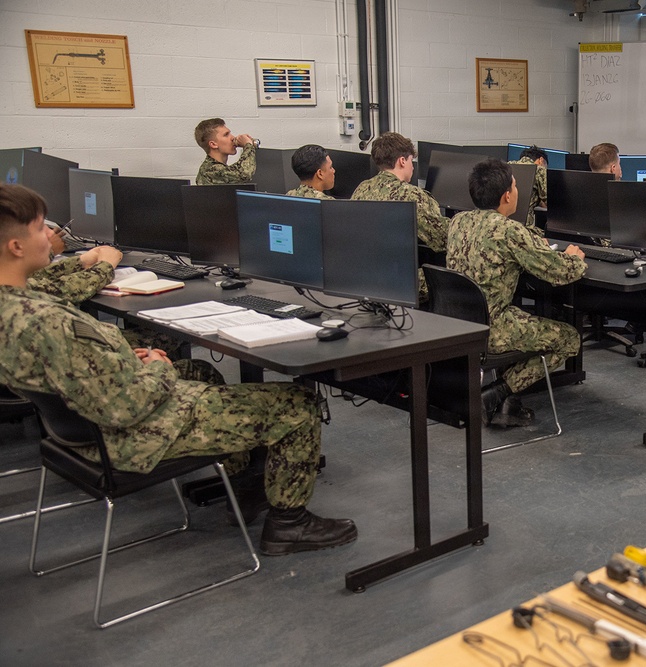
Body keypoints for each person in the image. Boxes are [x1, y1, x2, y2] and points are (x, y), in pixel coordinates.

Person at [0, 183, 356, 556]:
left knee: (200, 370)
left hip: (76, 426)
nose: (51, 236)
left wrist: (119, 357)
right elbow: (126, 406)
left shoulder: (17, 306)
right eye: (41, 228)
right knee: (296, 404)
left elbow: (73, 369)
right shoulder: (46, 321)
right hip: (125, 434)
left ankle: (245, 482)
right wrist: (156, 368)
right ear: (16, 247)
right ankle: (289, 525)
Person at [447, 159, 586, 428]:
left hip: (459, 323)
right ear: (507, 195)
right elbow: (558, 272)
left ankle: (506, 404)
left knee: (524, 318)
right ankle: (496, 393)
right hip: (492, 328)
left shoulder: (458, 221)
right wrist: (574, 257)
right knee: (569, 339)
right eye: (515, 184)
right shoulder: (509, 231)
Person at [352, 132, 450, 302]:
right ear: (402, 161)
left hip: (363, 278)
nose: (412, 167)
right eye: (411, 161)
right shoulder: (410, 194)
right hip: (399, 282)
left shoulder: (362, 188)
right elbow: (442, 239)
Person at [194, 118, 259, 186]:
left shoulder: (220, 168)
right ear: (213, 144)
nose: (233, 138)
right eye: (226, 135)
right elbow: (245, 173)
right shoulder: (210, 170)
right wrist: (248, 145)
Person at [508, 145, 548, 231]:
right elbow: (549, 201)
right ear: (541, 160)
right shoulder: (539, 169)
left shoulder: (507, 166)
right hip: (525, 229)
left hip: (504, 224)